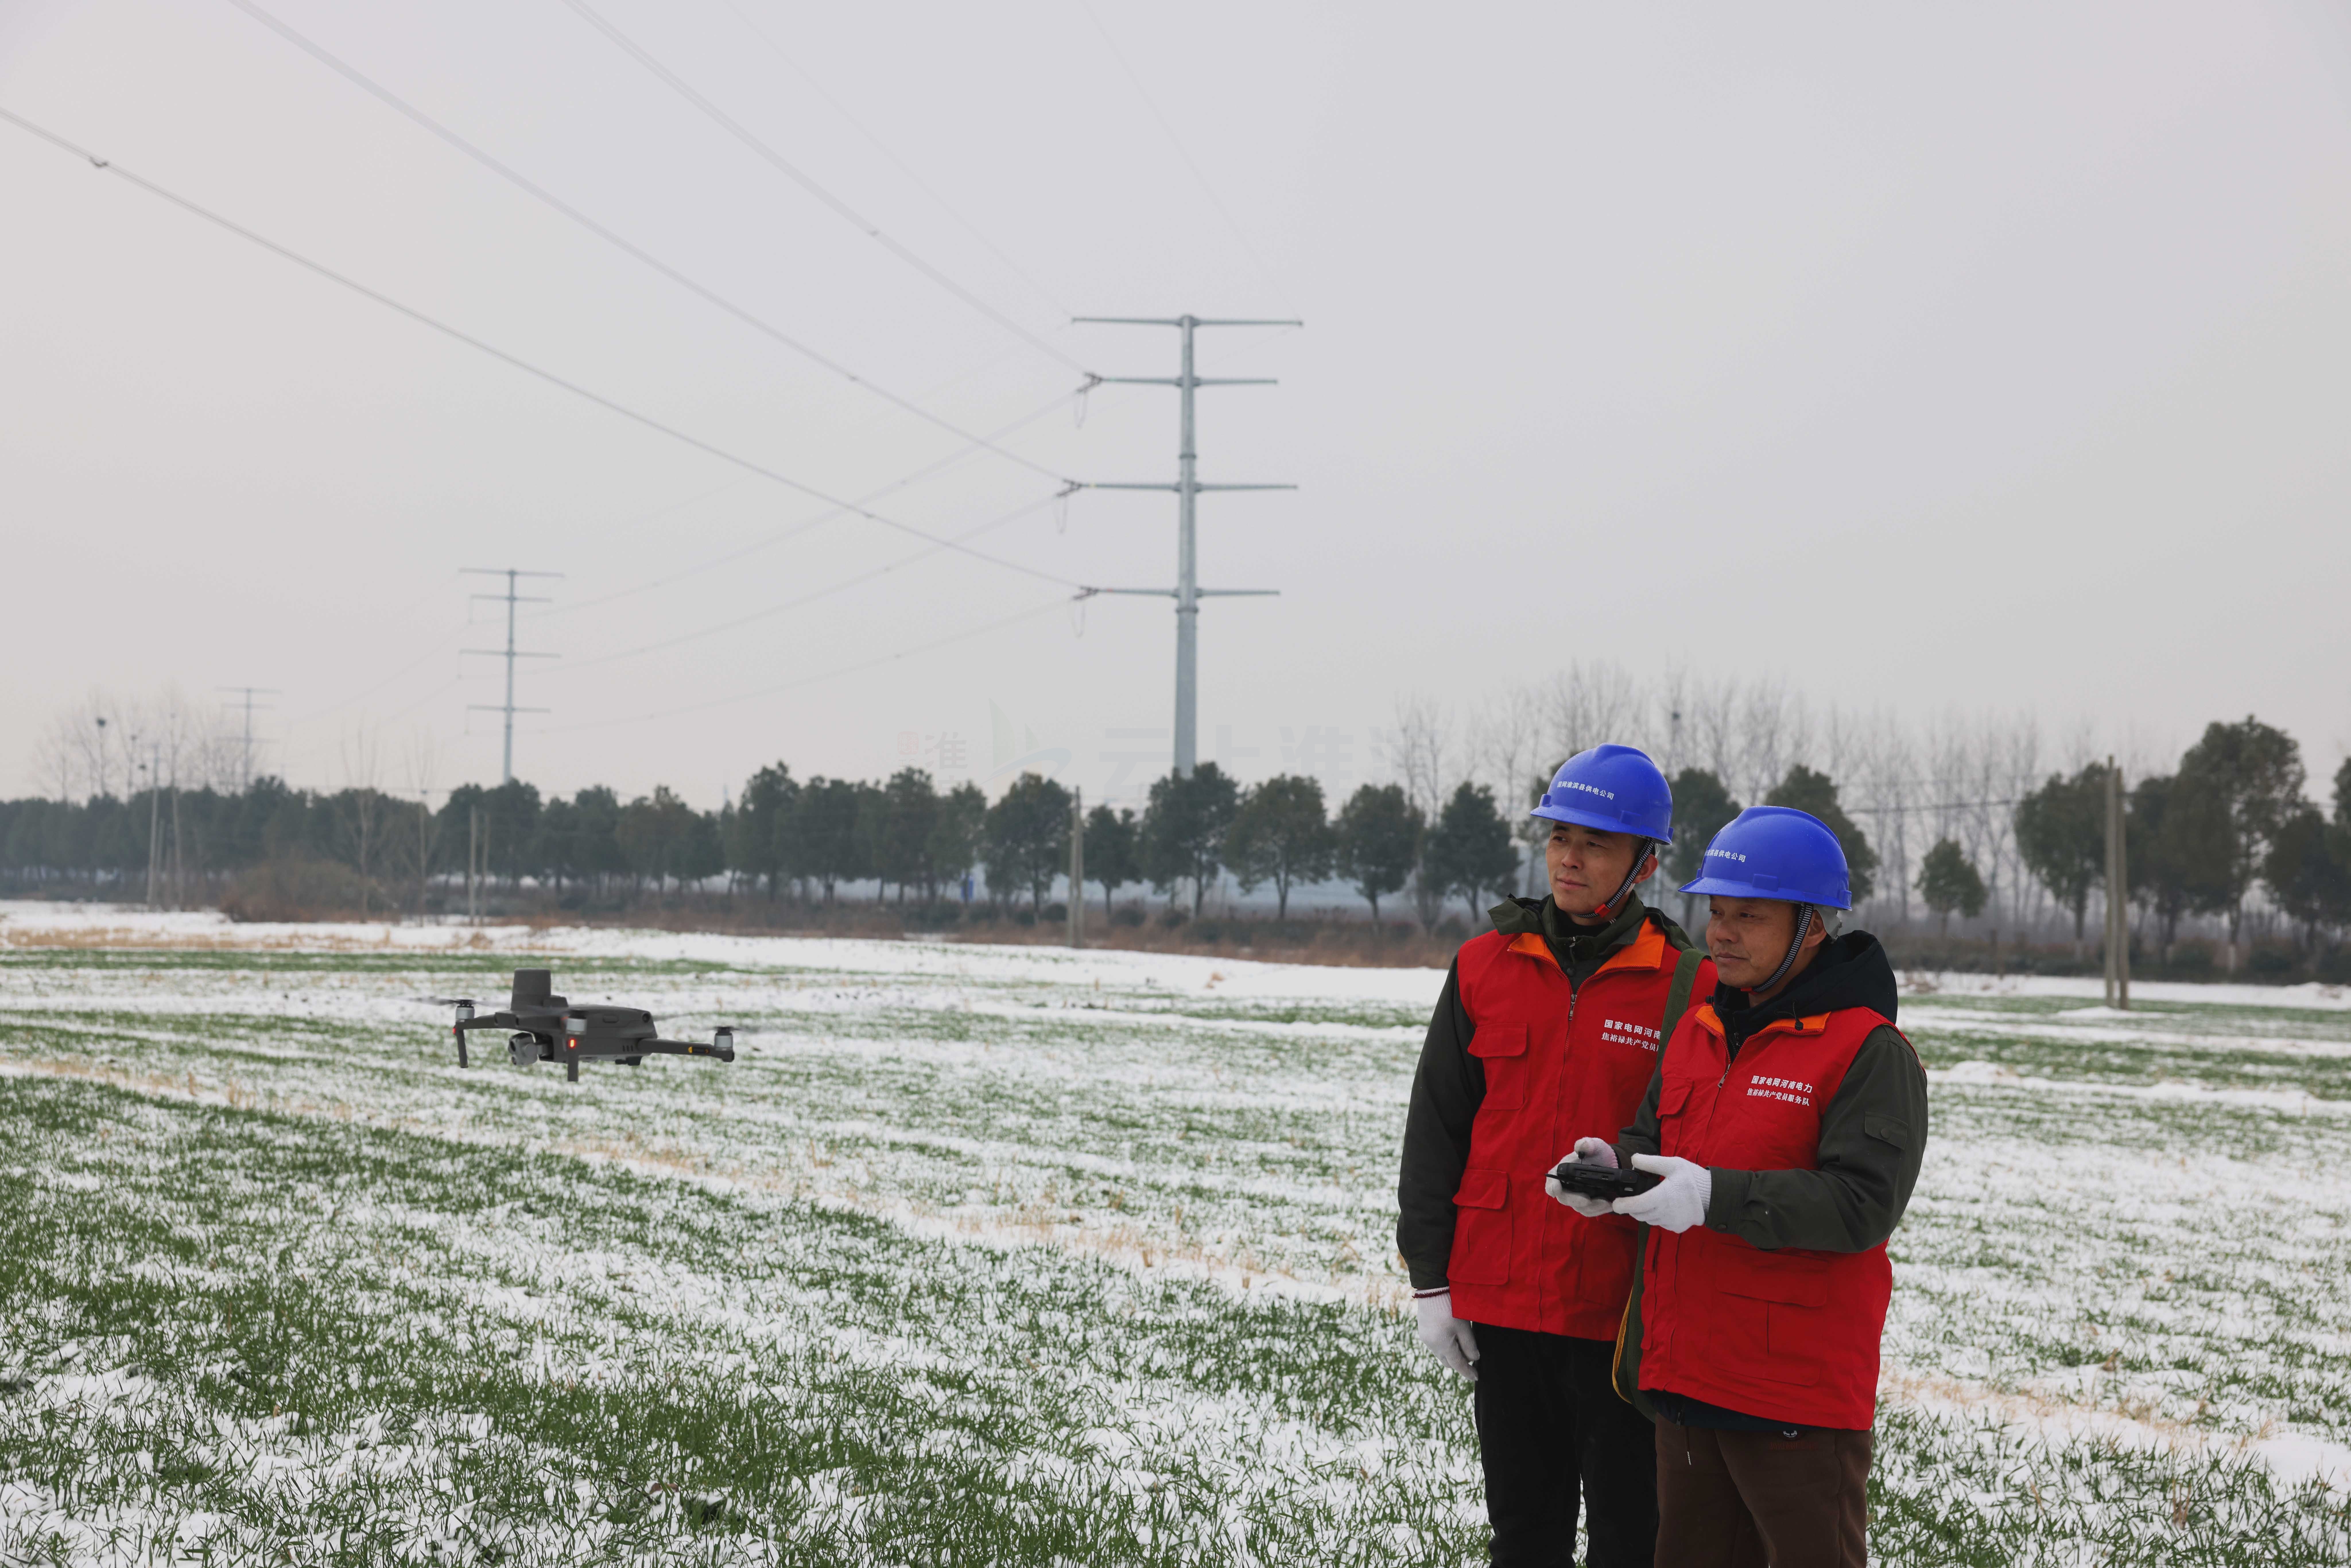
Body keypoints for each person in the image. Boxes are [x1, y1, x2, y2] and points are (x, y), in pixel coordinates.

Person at [1553, 805, 1930, 1568]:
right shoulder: (1701, 1028)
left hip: (1793, 1398)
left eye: (1748, 918)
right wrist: (1612, 1172)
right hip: (1684, 1380)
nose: (1720, 934)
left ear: (1812, 926)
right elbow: (1655, 1143)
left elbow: (1862, 1207)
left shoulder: (1869, 1051)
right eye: (1716, 913)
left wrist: (1713, 1199)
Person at [1396, 745, 1714, 1568]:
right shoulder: (1482, 967)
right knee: (1524, 1538)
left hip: (1620, 1315)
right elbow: (1436, 1132)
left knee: (1629, 1541)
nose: (1570, 857)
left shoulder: (1689, 985)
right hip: (1501, 1308)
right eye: (1560, 836)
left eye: (1597, 843)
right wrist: (1432, 1282)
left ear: (1643, 863)